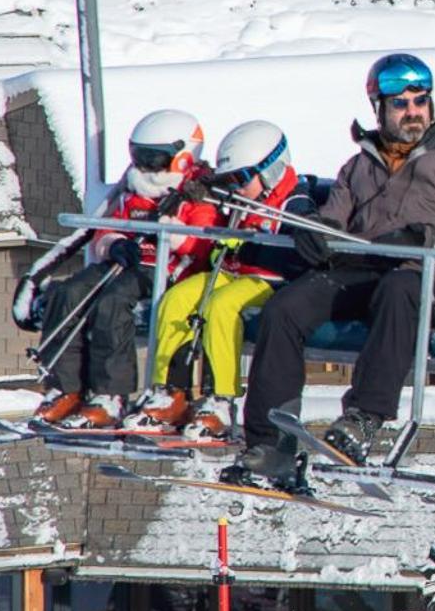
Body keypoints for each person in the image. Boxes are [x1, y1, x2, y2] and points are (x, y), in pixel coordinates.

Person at [230, 53, 435, 487]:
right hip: (358, 270)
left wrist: (421, 237)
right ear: (379, 109)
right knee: (286, 308)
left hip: (422, 276)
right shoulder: (359, 166)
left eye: (419, 101)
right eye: (400, 104)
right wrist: (318, 233)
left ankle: (364, 418)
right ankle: (270, 443)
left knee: (398, 289)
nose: (412, 112)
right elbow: (336, 215)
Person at [27, 110, 220, 428]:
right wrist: (115, 243)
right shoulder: (134, 187)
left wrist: (168, 231)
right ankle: (66, 387)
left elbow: (201, 243)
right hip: (127, 261)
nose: (147, 166)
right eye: (140, 156)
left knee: (112, 302)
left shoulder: (197, 191)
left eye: (156, 158)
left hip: (167, 269)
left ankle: (111, 394)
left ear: (182, 154)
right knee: (68, 292)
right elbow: (107, 228)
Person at [126, 121, 313, 440]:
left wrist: (248, 245)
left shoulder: (293, 203)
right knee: (177, 299)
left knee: (221, 307)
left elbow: (295, 253)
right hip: (233, 271)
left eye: (242, 178)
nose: (237, 187)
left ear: (271, 169)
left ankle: (221, 399)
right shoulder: (241, 201)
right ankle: (171, 392)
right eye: (231, 181)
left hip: (269, 281)